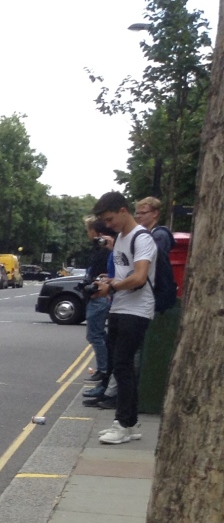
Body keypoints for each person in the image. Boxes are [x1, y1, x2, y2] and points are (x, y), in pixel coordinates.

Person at [91, 191, 156, 445]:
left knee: (122, 366)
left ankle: (123, 423)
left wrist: (113, 287)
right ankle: (130, 423)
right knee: (122, 367)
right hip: (120, 307)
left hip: (136, 309)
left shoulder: (142, 238)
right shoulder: (120, 239)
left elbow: (139, 277)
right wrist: (107, 282)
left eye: (110, 219)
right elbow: (124, 273)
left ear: (123, 210)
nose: (108, 226)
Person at [81, 217, 115, 402]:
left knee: (95, 335)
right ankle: (103, 372)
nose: (89, 235)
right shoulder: (101, 250)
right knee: (98, 335)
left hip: (101, 297)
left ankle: (103, 371)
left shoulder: (105, 251)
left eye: (89, 230)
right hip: (99, 296)